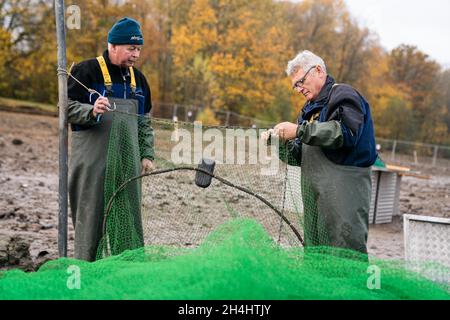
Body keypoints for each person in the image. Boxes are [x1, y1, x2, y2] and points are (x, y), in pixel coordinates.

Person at [263, 50, 377, 254]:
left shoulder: (344, 94)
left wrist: (298, 130)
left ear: (318, 71)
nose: (298, 89)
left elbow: (344, 133)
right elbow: (298, 156)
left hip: (345, 191)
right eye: (295, 86)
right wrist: (279, 142)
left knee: (344, 249)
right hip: (314, 196)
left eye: (301, 81)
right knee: (315, 249)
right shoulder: (308, 110)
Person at [67, 17, 155, 261]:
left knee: (129, 221)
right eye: (130, 48)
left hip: (129, 164)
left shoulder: (139, 80)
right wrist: (91, 111)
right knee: (90, 220)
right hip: (93, 163)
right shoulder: (85, 71)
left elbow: (144, 121)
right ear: (112, 46)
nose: (136, 54)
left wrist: (147, 154)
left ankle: (126, 272)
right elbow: (65, 108)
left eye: (138, 49)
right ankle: (85, 273)